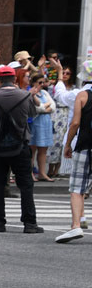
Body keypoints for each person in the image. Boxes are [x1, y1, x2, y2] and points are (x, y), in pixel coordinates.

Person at [0, 65, 42, 234]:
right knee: (26, 185)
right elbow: (32, 114)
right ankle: (29, 223)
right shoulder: (24, 95)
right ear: (14, 79)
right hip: (20, 145)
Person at [57, 81, 92, 243]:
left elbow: (75, 123)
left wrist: (68, 144)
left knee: (77, 188)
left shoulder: (83, 95)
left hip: (85, 146)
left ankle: (76, 225)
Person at [29, 70, 56, 182]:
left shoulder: (44, 93)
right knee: (32, 149)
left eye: (43, 82)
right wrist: (45, 107)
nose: (42, 85)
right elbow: (37, 108)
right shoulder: (30, 93)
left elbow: (53, 106)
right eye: (40, 82)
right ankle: (30, 173)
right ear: (34, 82)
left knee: (43, 149)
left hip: (45, 123)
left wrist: (45, 107)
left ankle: (42, 173)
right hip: (35, 123)